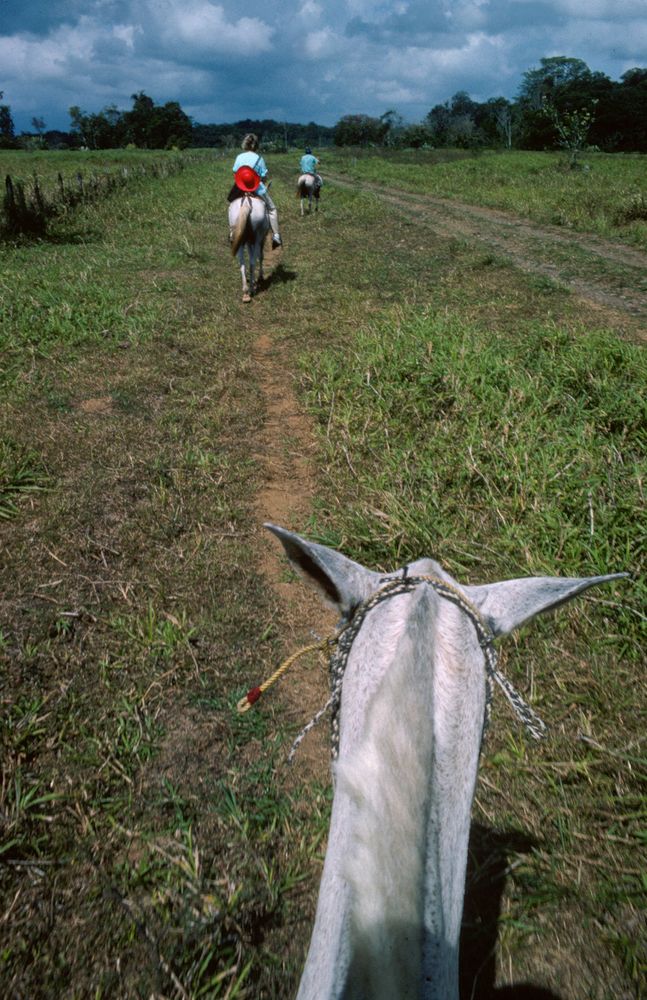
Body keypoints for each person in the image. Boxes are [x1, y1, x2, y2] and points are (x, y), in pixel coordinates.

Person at [231, 133, 282, 248]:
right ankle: (276, 235)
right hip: (257, 188)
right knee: (272, 209)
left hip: (240, 187)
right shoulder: (259, 158)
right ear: (256, 145)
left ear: (245, 144)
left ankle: (231, 232)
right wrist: (261, 182)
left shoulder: (239, 157)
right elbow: (263, 176)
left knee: (231, 206)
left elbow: (235, 173)